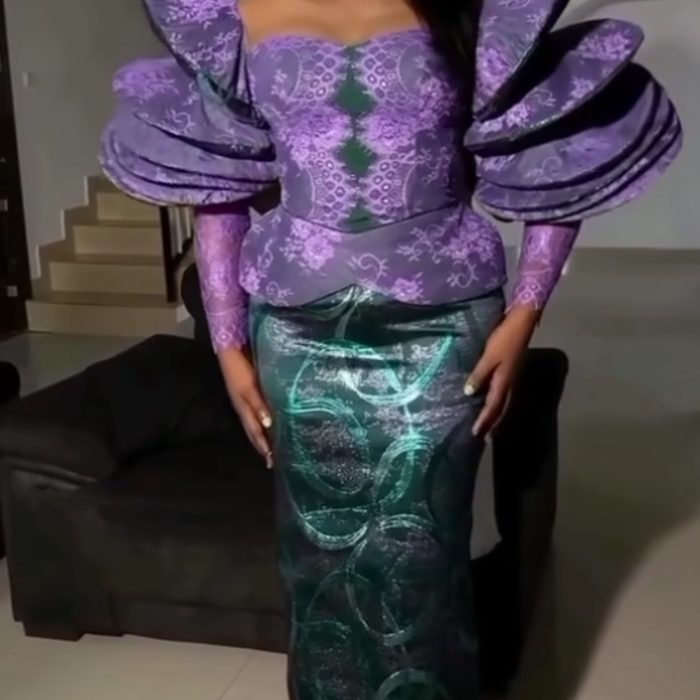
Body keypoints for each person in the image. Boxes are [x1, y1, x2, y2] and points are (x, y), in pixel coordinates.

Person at [100, 0, 681, 697]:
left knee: (427, 551)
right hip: (295, 326)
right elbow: (219, 185)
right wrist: (227, 344)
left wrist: (526, 313)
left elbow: (552, 158)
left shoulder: (468, 9)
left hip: (443, 324)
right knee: (313, 546)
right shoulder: (239, 13)